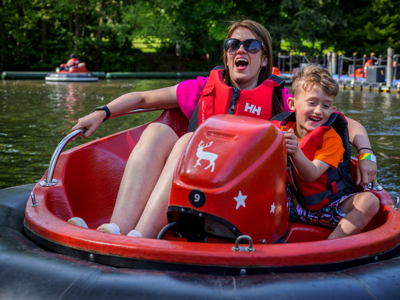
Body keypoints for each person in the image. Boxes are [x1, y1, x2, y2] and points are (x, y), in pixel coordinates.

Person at [68, 20, 377, 239]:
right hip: (198, 186)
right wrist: (102, 113)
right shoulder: (202, 88)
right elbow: (143, 98)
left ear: (264, 57)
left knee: (188, 138)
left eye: (251, 45)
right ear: (227, 54)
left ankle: (143, 236)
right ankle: (117, 229)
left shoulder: (282, 97)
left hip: (248, 193)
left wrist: (365, 154)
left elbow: (345, 123)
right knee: (158, 132)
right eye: (233, 44)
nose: (240, 49)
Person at [279, 65, 379, 239]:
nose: (318, 111)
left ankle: (331, 244)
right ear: (292, 104)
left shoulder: (332, 139)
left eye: (326, 105)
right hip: (291, 206)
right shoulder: (283, 129)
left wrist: (295, 151)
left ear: (333, 110)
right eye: (312, 103)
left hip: (330, 208)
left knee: (370, 201)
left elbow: (312, 174)